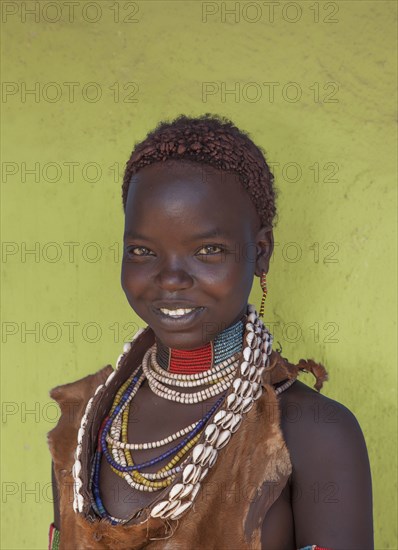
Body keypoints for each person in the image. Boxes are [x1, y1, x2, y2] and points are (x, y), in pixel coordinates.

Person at [47, 114, 374, 550]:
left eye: (208, 250)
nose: (172, 278)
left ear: (261, 253)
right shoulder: (83, 426)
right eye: (143, 251)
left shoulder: (313, 433)